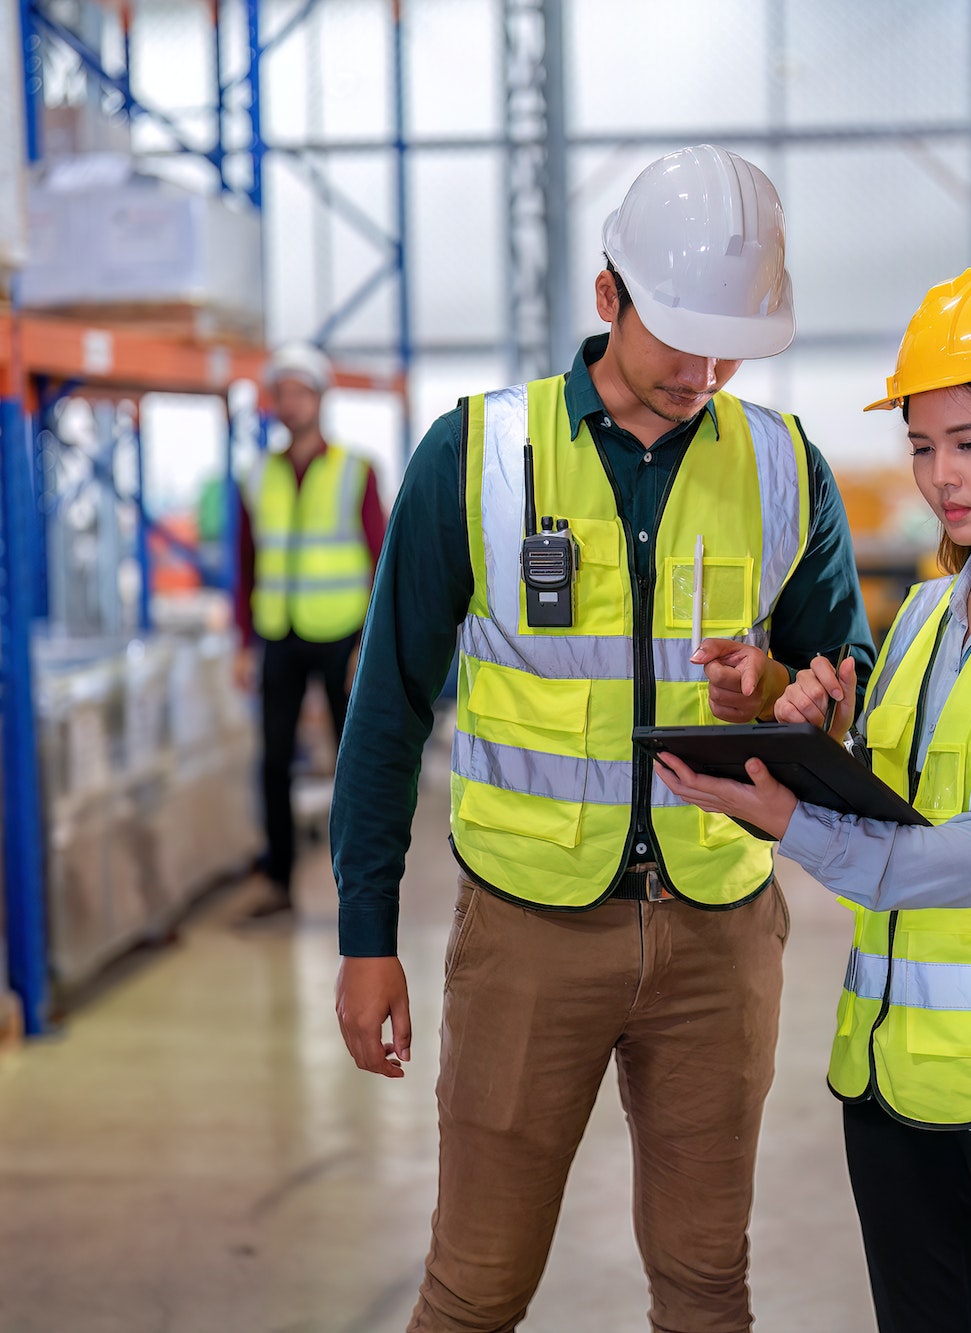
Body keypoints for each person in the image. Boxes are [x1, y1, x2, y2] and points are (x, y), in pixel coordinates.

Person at [330, 144, 874, 1332]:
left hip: (717, 934)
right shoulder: (473, 459)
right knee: (473, 1292)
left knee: (703, 1289)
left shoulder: (784, 470)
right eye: (679, 334)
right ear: (605, 296)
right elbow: (386, 709)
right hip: (528, 932)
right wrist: (366, 931)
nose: (704, 370)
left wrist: (789, 688)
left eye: (728, 344)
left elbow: (848, 677)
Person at [655, 269, 971, 1333]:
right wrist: (799, 723)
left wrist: (795, 826)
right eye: (921, 444)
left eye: (969, 441)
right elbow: (904, 800)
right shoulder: (928, 612)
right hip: (893, 1081)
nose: (940, 476)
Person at [235, 342, 388, 920]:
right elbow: (245, 565)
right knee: (273, 760)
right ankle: (278, 881)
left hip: (343, 637)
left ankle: (364, 884)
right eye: (282, 393)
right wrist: (242, 642)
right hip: (279, 634)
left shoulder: (357, 470)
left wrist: (367, 646)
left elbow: (381, 560)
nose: (289, 403)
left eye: (300, 392)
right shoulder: (256, 477)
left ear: (320, 400)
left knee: (354, 761)